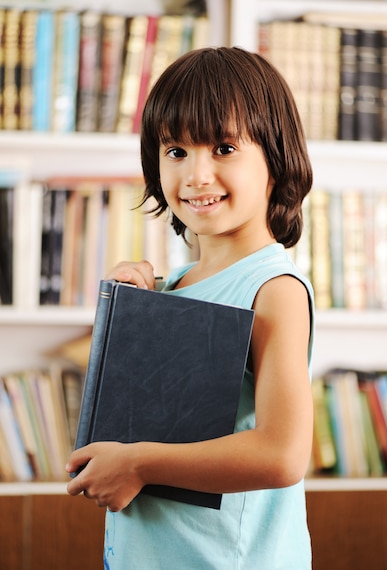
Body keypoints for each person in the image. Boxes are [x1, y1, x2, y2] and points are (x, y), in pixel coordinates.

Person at [66, 46, 315, 569]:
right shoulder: (173, 283)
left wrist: (137, 465)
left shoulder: (275, 288)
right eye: (176, 151)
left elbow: (282, 453)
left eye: (223, 148)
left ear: (276, 155)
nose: (196, 175)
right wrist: (128, 314)